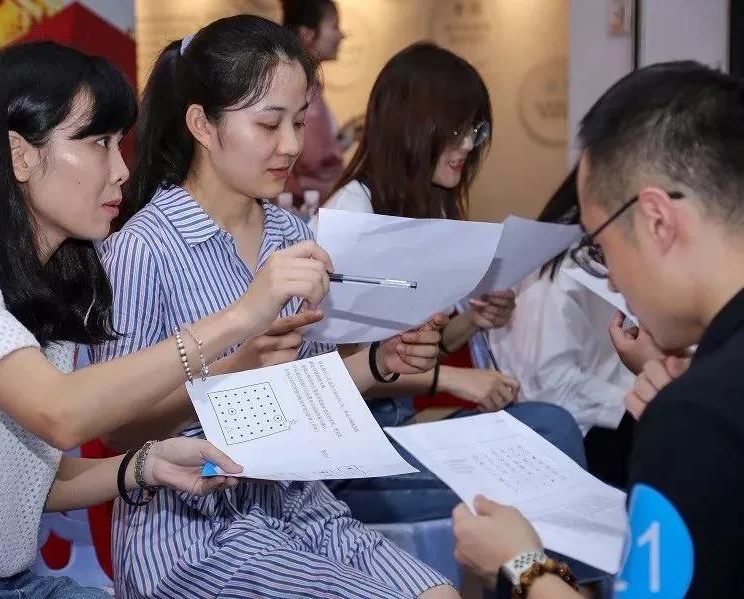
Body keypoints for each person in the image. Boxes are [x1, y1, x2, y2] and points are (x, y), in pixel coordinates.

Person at [0, 40, 334, 598]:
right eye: (98, 143)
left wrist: (145, 466)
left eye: (119, 144)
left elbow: (38, 481)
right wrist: (242, 316)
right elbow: (61, 412)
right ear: (20, 154)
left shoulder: (52, 281)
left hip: (7, 581)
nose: (121, 170)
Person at [93, 16, 458, 599]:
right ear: (201, 125)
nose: (290, 145)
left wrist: (380, 361)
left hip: (301, 506)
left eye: (299, 121)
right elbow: (117, 431)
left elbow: (304, 388)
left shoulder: (292, 234)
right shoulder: (143, 249)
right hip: (194, 531)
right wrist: (234, 369)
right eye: (268, 124)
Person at [452, 61, 744, 598]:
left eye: (601, 244)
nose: (609, 276)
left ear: (657, 220)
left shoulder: (696, 417)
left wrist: (520, 564)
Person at [315, 42, 585, 524]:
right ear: (411, 127)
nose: (467, 146)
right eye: (457, 131)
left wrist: (473, 321)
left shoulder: (426, 207)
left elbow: (419, 348)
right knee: (548, 446)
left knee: (553, 425)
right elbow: (340, 372)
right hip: (354, 458)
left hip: (397, 432)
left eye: (475, 131)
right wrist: (456, 379)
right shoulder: (351, 216)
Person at [487, 167, 637, 488]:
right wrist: (635, 400)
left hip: (605, 405)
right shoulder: (558, 265)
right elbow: (549, 387)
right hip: (574, 428)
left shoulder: (613, 253)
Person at [280, 0, 356, 203]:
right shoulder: (300, 88)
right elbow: (314, 161)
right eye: (334, 26)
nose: (341, 35)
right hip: (302, 206)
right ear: (307, 34)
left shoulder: (309, 84)